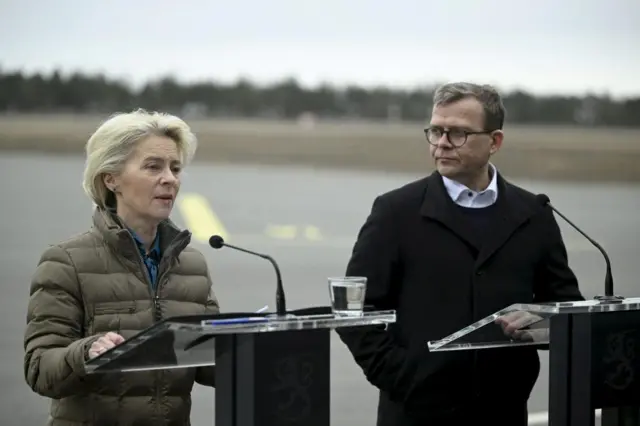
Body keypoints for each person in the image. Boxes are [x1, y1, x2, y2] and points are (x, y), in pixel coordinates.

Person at [336, 82, 584, 426]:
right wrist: (404, 377)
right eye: (436, 130)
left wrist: (540, 324)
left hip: (503, 411)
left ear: (494, 142)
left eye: (458, 134)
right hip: (417, 412)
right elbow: (353, 313)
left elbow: (566, 308)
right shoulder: (395, 211)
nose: (441, 143)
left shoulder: (534, 213)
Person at [23, 109, 220, 425]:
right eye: (153, 166)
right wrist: (86, 354)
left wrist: (261, 348)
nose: (170, 178)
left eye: (175, 168)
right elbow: (40, 369)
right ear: (110, 178)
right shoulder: (66, 262)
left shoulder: (192, 265)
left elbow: (209, 364)